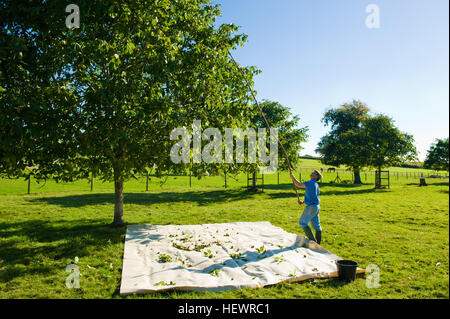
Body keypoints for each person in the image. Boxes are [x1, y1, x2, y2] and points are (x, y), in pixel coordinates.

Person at [290, 170, 323, 244]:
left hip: (311, 207)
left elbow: (299, 184)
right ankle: (318, 243)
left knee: (302, 223)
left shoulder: (311, 182)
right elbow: (313, 195)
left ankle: (313, 241)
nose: (312, 173)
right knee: (317, 226)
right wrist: (303, 202)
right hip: (316, 206)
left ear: (317, 176)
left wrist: (293, 178)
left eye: (314, 173)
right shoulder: (315, 184)